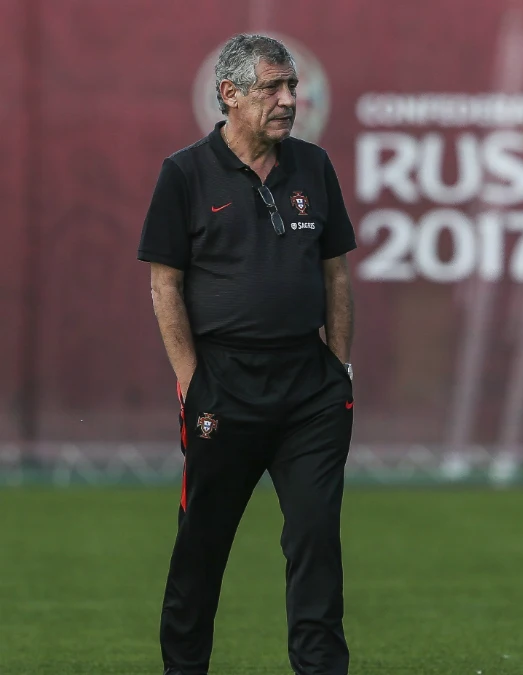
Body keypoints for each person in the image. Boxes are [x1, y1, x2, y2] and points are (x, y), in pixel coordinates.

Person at [136, 34, 358, 675]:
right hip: (223, 387)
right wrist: (191, 383)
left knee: (316, 539)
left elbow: (336, 276)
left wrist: (337, 370)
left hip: (310, 390)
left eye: (293, 86)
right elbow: (164, 286)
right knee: (202, 544)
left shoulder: (313, 166)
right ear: (230, 94)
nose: (291, 99)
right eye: (275, 87)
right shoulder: (183, 173)